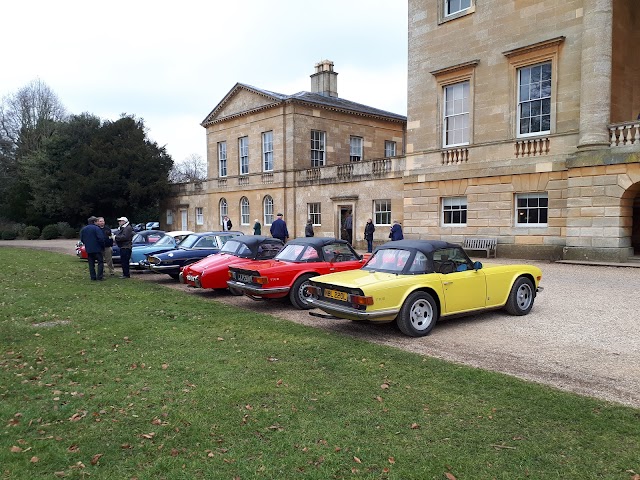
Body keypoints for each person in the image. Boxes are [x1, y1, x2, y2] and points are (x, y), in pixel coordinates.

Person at [79, 216, 105, 281]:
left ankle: (93, 277)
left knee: (91, 263)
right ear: (94, 222)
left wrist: (87, 243)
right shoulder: (97, 228)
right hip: (97, 248)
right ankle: (99, 276)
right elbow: (101, 238)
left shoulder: (84, 229)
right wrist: (102, 245)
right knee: (100, 262)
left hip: (89, 248)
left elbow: (82, 239)